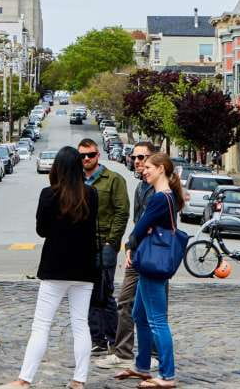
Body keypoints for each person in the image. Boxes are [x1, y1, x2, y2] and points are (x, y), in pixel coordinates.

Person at [0, 147, 99, 389]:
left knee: (42, 325)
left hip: (55, 267)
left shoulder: (49, 194)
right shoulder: (91, 194)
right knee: (80, 323)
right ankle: (79, 379)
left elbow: (41, 230)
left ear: (57, 168)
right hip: (84, 268)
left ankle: (25, 379)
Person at [115, 152, 183, 388]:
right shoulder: (167, 196)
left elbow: (141, 227)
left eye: (149, 168)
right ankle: (142, 365)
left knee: (157, 321)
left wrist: (130, 246)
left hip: (153, 263)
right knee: (139, 315)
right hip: (153, 262)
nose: (144, 170)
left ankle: (167, 375)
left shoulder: (159, 198)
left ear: (162, 169)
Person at [97, 141, 157, 371]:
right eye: (135, 157)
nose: (138, 161)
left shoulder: (160, 188)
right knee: (125, 302)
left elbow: (150, 224)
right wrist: (131, 246)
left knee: (151, 307)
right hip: (137, 252)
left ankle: (153, 354)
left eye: (143, 157)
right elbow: (137, 222)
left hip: (153, 255)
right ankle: (122, 352)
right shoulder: (141, 187)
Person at [78, 137, 130, 356]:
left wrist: (112, 241)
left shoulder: (114, 179)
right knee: (86, 294)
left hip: (105, 245)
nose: (87, 159)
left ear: (98, 155)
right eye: (82, 156)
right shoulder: (76, 180)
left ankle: (114, 339)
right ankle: (96, 339)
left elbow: (122, 212)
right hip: (82, 245)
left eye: (91, 155)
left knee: (104, 294)